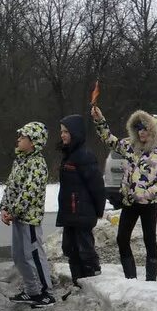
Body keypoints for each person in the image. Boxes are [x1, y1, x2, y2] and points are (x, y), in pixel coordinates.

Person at [92, 106, 157, 281]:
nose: (141, 133)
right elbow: (109, 140)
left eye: (146, 128)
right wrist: (99, 120)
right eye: (138, 128)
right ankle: (131, 279)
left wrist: (145, 193)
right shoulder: (130, 146)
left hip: (149, 205)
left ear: (155, 131)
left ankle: (151, 280)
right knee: (122, 239)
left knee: (149, 241)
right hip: (129, 203)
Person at [0, 122, 58, 306]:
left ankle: (45, 292)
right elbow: (11, 187)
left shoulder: (37, 164)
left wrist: (14, 211)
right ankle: (32, 290)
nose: (18, 139)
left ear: (33, 142)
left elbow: (29, 192)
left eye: (23, 137)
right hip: (17, 218)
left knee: (32, 254)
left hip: (29, 220)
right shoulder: (20, 161)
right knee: (18, 255)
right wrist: (4, 207)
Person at [56, 114, 105, 283]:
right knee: (69, 248)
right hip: (70, 212)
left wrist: (99, 209)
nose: (62, 135)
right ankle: (78, 281)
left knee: (84, 248)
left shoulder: (84, 155)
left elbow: (97, 186)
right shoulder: (68, 154)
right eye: (61, 131)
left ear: (75, 133)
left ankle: (92, 277)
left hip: (82, 211)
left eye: (66, 132)